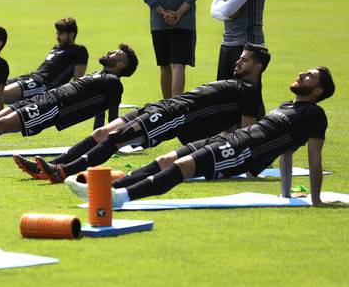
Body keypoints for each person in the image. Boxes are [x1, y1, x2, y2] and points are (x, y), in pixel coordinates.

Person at [65, 68, 335, 207]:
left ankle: (121, 197)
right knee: (165, 158)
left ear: (318, 90)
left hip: (244, 150)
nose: (301, 75)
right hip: (231, 138)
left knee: (184, 168)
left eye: (309, 76)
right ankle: (105, 192)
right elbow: (287, 151)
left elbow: (314, 159)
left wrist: (316, 199)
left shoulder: (315, 115)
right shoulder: (289, 105)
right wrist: (286, 194)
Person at [15, 43, 271, 183]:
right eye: (239, 58)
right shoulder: (238, 86)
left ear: (258, 67)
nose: (238, 62)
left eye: (245, 60)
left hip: (175, 115)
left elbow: (243, 136)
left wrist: (250, 167)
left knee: (116, 139)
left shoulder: (249, 92)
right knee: (103, 131)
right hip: (162, 106)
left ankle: (63, 170)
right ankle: (53, 165)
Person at [0, 45, 138, 151]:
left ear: (121, 65)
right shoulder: (99, 74)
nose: (110, 52)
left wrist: (104, 141)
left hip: (53, 107)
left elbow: (111, 117)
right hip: (44, 97)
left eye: (116, 54)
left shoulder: (114, 82)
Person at [0, 17, 88, 110]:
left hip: (43, 85)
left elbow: (77, 81)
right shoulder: (57, 47)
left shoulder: (78, 51)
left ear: (71, 34)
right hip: (30, 78)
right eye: (57, 33)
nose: (57, 37)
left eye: (61, 34)